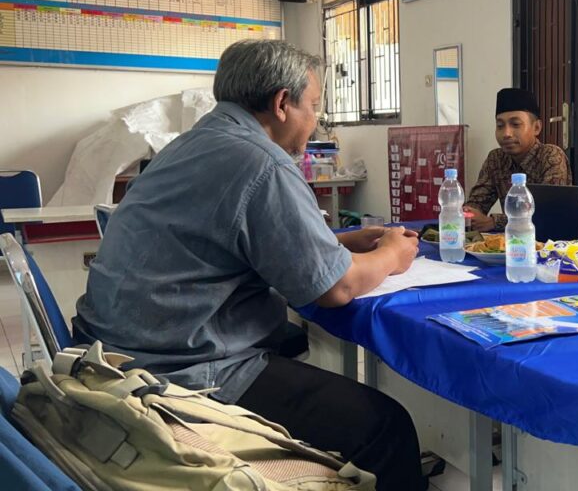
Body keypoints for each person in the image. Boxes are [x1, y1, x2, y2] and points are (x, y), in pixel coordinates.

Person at [73, 39, 426, 491]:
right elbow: (337, 288)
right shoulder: (263, 161)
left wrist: (334, 242)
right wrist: (392, 254)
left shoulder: (189, 144)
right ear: (282, 103)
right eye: (314, 106)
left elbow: (229, 237)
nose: (315, 121)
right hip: (179, 372)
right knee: (386, 426)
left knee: (294, 343)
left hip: (114, 349)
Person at [464, 88, 572, 231]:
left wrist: (494, 222)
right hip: (512, 240)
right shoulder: (496, 159)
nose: (506, 133)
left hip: (551, 241)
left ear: (536, 127)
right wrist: (468, 214)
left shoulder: (551, 156)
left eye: (515, 124)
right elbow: (477, 203)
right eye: (500, 126)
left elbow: (547, 212)